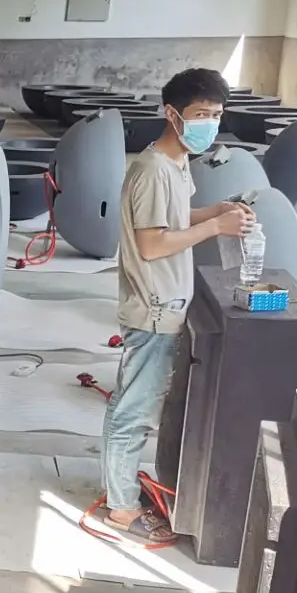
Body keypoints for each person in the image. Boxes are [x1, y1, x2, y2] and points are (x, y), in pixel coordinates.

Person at [102, 67, 255, 543]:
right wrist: (215, 229)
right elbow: (152, 244)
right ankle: (120, 507)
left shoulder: (177, 162)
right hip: (153, 308)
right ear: (172, 114)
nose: (210, 123)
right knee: (133, 410)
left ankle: (122, 491)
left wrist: (216, 212)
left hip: (168, 301)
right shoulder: (151, 169)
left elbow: (174, 217)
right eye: (200, 114)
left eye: (216, 114)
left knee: (142, 405)